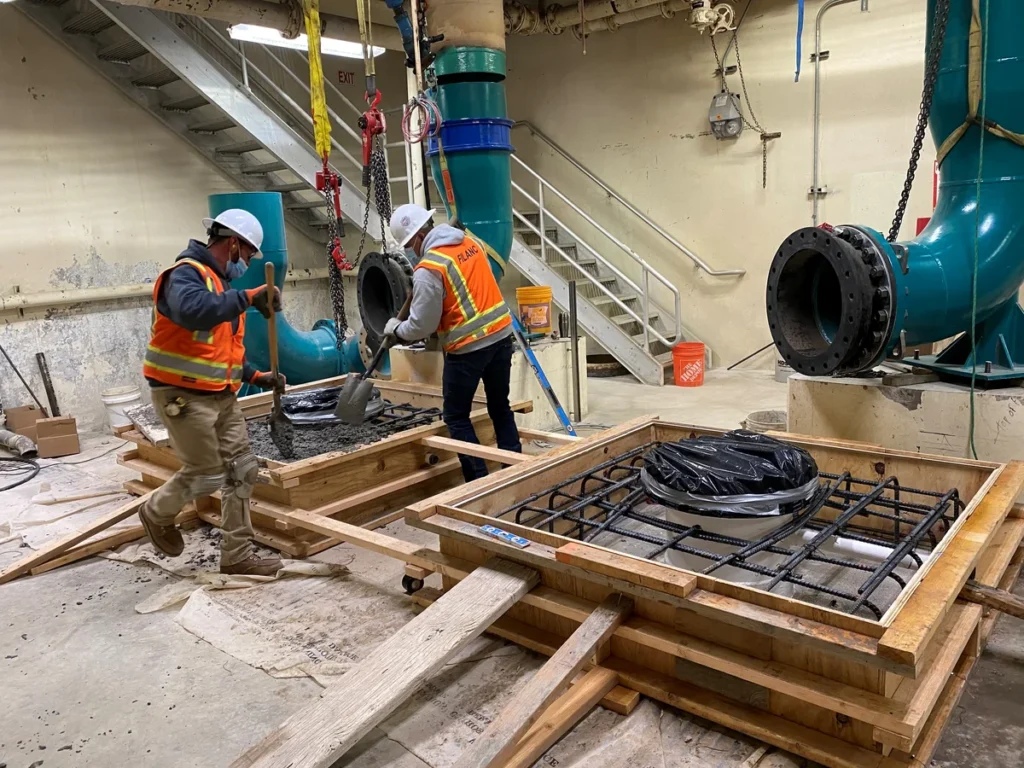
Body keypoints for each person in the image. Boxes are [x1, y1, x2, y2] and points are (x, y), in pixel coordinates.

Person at [139, 209, 286, 576]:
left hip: (220, 394)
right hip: (182, 397)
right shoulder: (185, 274)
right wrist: (248, 298)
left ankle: (237, 556)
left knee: (243, 469)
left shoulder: (221, 286)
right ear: (233, 244)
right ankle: (156, 512)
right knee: (206, 474)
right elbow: (194, 312)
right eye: (249, 254)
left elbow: (220, 351)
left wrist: (259, 375)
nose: (248, 263)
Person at [386, 203, 521, 482]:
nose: (412, 252)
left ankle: (479, 481)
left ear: (418, 238)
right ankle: (515, 470)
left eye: (410, 245)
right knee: (500, 406)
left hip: (468, 349)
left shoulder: (429, 269)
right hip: (501, 335)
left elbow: (422, 325)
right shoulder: (470, 243)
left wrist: (396, 329)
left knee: (457, 417)